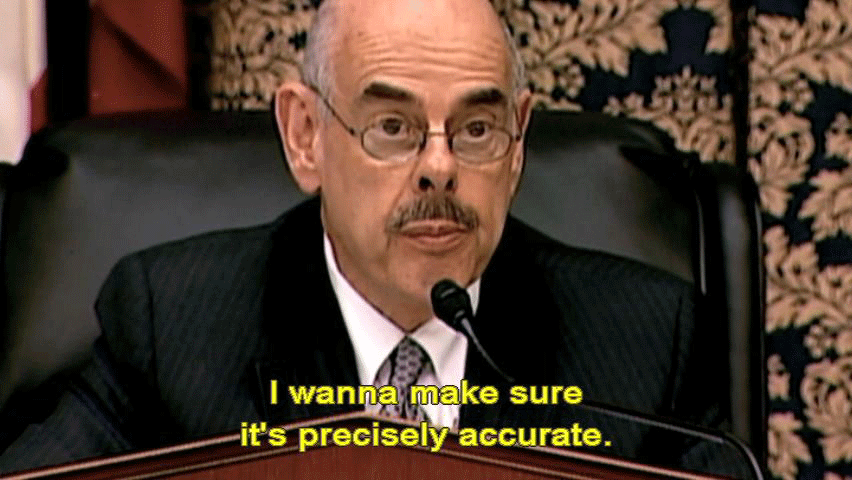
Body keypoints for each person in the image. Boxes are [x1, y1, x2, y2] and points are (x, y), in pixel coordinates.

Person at [0, 0, 741, 475]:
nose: (440, 169)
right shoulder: (173, 323)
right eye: (393, 127)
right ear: (305, 136)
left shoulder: (644, 341)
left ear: (518, 145)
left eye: (476, 129)